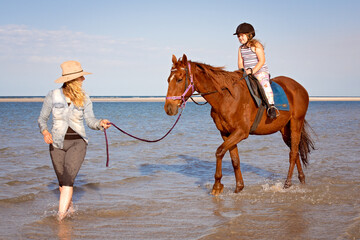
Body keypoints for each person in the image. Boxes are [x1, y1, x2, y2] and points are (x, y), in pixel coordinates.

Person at [38, 60, 111, 221]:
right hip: (56, 144)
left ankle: (60, 219)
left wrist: (100, 123)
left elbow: (90, 120)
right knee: (62, 182)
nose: (83, 80)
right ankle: (70, 210)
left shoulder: (85, 98)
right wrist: (45, 132)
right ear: (72, 79)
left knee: (68, 181)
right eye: (81, 77)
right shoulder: (53, 95)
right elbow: (42, 119)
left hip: (78, 143)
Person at [234, 22, 278, 119]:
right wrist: (243, 71)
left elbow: (262, 61)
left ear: (249, 35)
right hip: (247, 73)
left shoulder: (256, 45)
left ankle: (271, 106)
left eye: (242, 35)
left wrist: (252, 71)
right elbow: (240, 63)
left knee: (264, 84)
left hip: (260, 71)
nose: (240, 38)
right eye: (238, 36)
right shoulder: (241, 48)